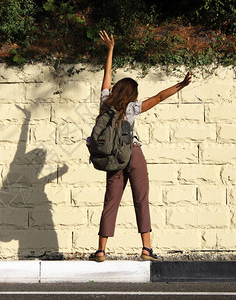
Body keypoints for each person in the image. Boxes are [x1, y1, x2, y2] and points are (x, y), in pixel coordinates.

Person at [89, 30, 192, 262]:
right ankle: (146, 249)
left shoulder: (105, 103)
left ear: (115, 91)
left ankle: (101, 250)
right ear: (132, 94)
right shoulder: (132, 108)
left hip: (113, 158)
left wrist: (110, 49)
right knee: (141, 199)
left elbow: (106, 75)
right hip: (133, 154)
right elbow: (159, 97)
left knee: (110, 201)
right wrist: (181, 84)